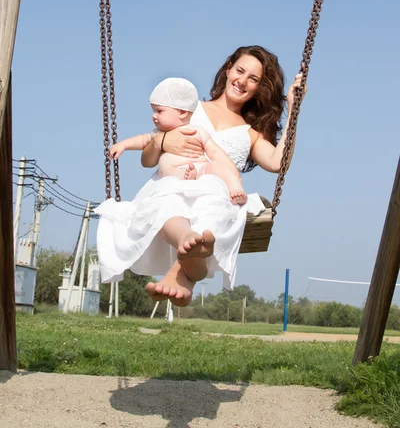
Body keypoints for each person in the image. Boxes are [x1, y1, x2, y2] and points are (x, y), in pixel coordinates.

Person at [96, 45, 305, 307]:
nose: (242, 81)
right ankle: (186, 255)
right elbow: (147, 160)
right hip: (171, 188)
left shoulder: (249, 132)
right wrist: (163, 142)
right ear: (228, 69)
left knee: (214, 210)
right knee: (167, 203)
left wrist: (295, 108)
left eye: (253, 79)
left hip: (215, 195)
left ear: (259, 88)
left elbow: (278, 163)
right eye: (240, 71)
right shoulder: (189, 109)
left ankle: (180, 272)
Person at [109, 77, 248, 205]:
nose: (154, 116)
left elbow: (216, 153)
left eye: (159, 111)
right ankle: (188, 179)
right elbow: (142, 140)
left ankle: (235, 187)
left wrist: (233, 172)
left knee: (218, 166)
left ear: (182, 112)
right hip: (174, 175)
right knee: (169, 176)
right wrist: (123, 145)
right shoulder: (158, 134)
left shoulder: (197, 131)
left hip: (200, 169)